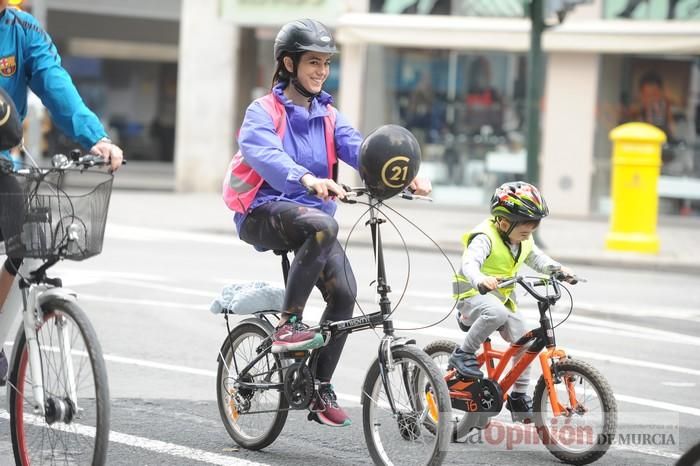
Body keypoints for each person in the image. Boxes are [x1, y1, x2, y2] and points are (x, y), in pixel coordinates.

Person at [228, 18, 430, 428]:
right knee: (323, 225)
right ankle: (289, 324)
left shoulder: (329, 115)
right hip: (262, 209)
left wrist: (403, 174)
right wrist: (305, 178)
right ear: (288, 64)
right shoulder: (261, 111)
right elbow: (265, 153)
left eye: (325, 63)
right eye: (312, 62)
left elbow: (359, 148)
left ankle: (319, 386)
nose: (321, 70)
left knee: (345, 295)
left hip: (312, 218)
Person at [0, 0, 124, 386]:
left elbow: (55, 83)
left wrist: (96, 138)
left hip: (2, 159)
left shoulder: (22, 28)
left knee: (30, 240)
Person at [449, 181, 574, 423]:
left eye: (533, 228)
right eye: (525, 228)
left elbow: (536, 258)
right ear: (503, 222)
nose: (529, 233)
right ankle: (463, 354)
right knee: (496, 313)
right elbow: (469, 264)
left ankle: (517, 397)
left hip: (501, 300)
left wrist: (558, 270)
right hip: (472, 296)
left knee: (525, 341)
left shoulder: (522, 240)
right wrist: (480, 279)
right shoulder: (484, 237)